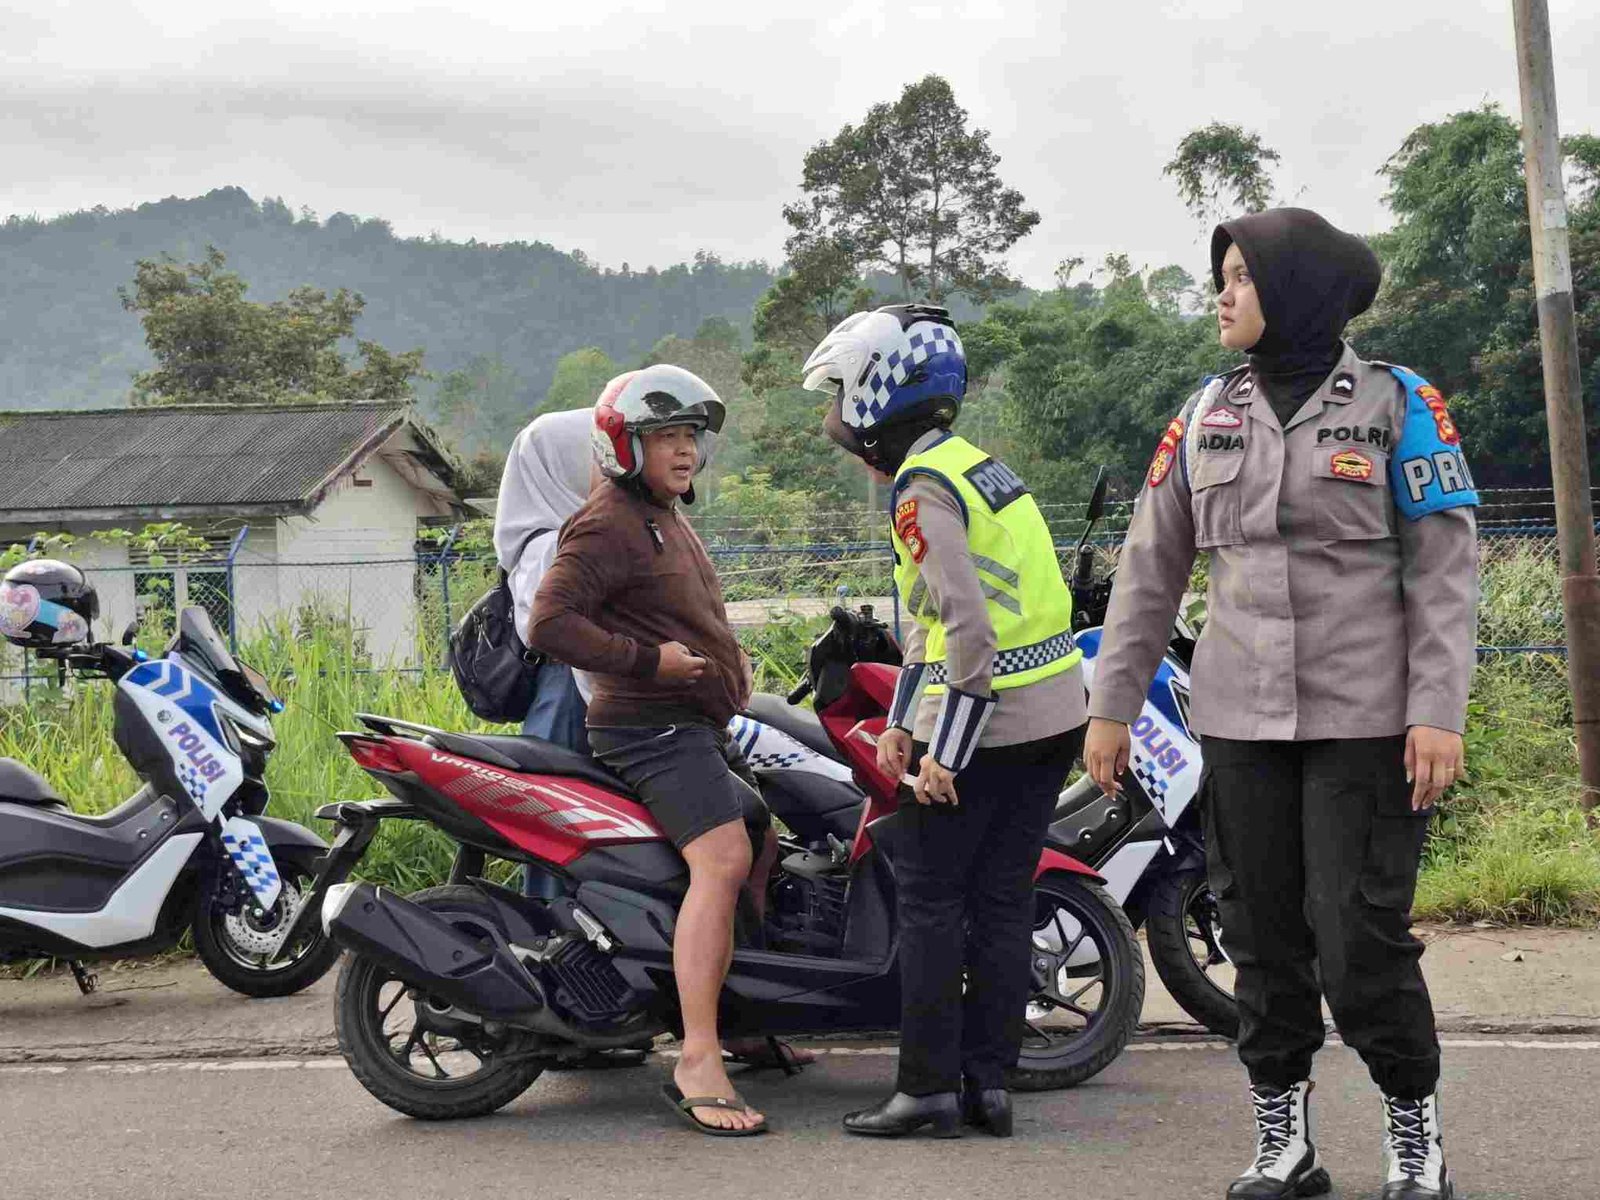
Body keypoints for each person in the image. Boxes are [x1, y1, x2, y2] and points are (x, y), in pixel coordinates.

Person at [1083, 208, 1476, 1200]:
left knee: (1358, 942)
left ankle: (1412, 1132)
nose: (1220, 294)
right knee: (1258, 938)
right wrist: (1112, 705)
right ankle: (1284, 1143)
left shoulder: (1398, 405)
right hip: (1239, 721)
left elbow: (1444, 570)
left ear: (1294, 290)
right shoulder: (1204, 411)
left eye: (1239, 277)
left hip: (1367, 723)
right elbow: (1149, 568)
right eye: (1219, 276)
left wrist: (1438, 709)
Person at [802, 304, 1088, 1139]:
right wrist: (900, 718)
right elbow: (930, 622)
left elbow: (967, 627)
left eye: (839, 401)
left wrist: (945, 753)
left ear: (875, 398)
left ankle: (925, 1089)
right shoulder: (979, 469)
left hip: (990, 728)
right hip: (1054, 714)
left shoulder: (919, 492)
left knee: (929, 899)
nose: (833, 423)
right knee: (1002, 901)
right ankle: (988, 1087)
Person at [528, 364, 785, 1137]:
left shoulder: (663, 514)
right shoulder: (608, 522)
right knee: (723, 860)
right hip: (651, 728)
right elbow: (548, 623)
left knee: (763, 835)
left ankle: (737, 1014)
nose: (683, 451)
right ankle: (697, 1055)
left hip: (693, 727)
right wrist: (649, 663)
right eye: (664, 436)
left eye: (689, 437)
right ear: (622, 445)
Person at [493, 406, 596, 753]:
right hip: (570, 689)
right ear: (563, 468)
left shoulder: (556, 539)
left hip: (577, 684)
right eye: (592, 457)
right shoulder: (552, 546)